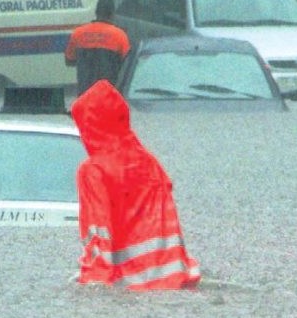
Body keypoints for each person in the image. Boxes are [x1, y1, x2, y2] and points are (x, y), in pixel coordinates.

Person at [70, 79, 201, 291]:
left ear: (90, 126)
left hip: (127, 287)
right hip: (175, 281)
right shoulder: (150, 162)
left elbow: (99, 233)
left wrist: (92, 287)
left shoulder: (94, 170)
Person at [64, 0, 131, 95]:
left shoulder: (78, 33)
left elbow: (69, 60)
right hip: (109, 96)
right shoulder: (120, 36)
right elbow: (127, 68)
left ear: (96, 12)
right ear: (112, 14)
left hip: (85, 95)